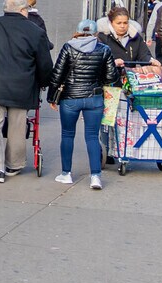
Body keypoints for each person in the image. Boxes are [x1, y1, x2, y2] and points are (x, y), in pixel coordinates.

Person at [0, 0, 53, 182]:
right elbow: (44, 64)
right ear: (24, 10)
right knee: (17, 125)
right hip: (22, 86)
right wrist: (43, 82)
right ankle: (13, 164)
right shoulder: (35, 31)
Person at [50, 18, 119, 190]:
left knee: (67, 135)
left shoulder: (68, 47)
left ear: (77, 31)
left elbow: (57, 74)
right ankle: (95, 177)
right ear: (96, 33)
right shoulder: (104, 49)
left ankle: (66, 174)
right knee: (92, 136)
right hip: (94, 98)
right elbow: (112, 76)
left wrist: (52, 97)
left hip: (70, 98)